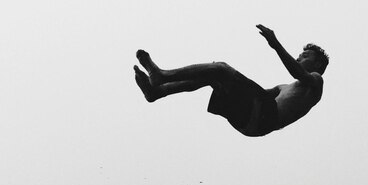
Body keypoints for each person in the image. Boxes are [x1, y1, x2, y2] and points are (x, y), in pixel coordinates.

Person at [134, 24, 329, 137]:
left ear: (318, 63)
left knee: (221, 69)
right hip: (251, 122)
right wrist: (216, 75)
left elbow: (298, 74)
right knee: (215, 75)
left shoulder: (316, 81)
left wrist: (275, 44)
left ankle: (162, 76)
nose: (298, 58)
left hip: (265, 117)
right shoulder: (283, 88)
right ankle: (158, 91)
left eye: (305, 56)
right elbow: (255, 92)